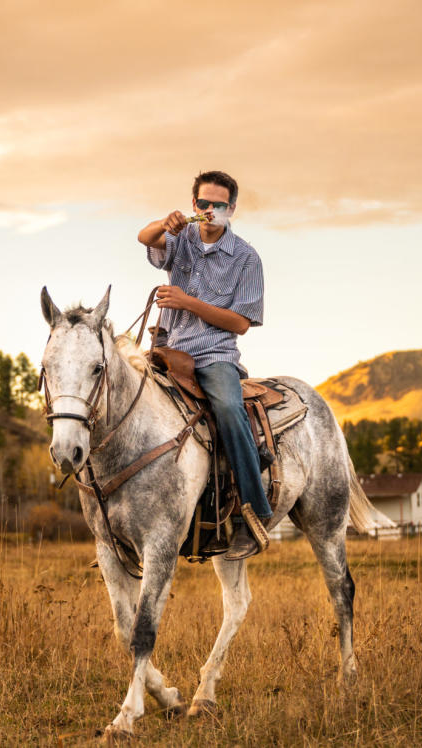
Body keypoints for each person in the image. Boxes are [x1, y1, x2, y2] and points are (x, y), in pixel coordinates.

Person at [137, 170, 270, 559]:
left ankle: (252, 514)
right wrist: (165, 222)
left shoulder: (246, 258)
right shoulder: (180, 237)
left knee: (229, 410)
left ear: (232, 209)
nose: (210, 211)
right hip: (168, 348)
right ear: (194, 204)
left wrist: (187, 302)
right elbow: (144, 238)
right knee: (123, 400)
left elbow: (241, 324)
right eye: (203, 204)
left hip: (213, 355)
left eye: (219, 205)